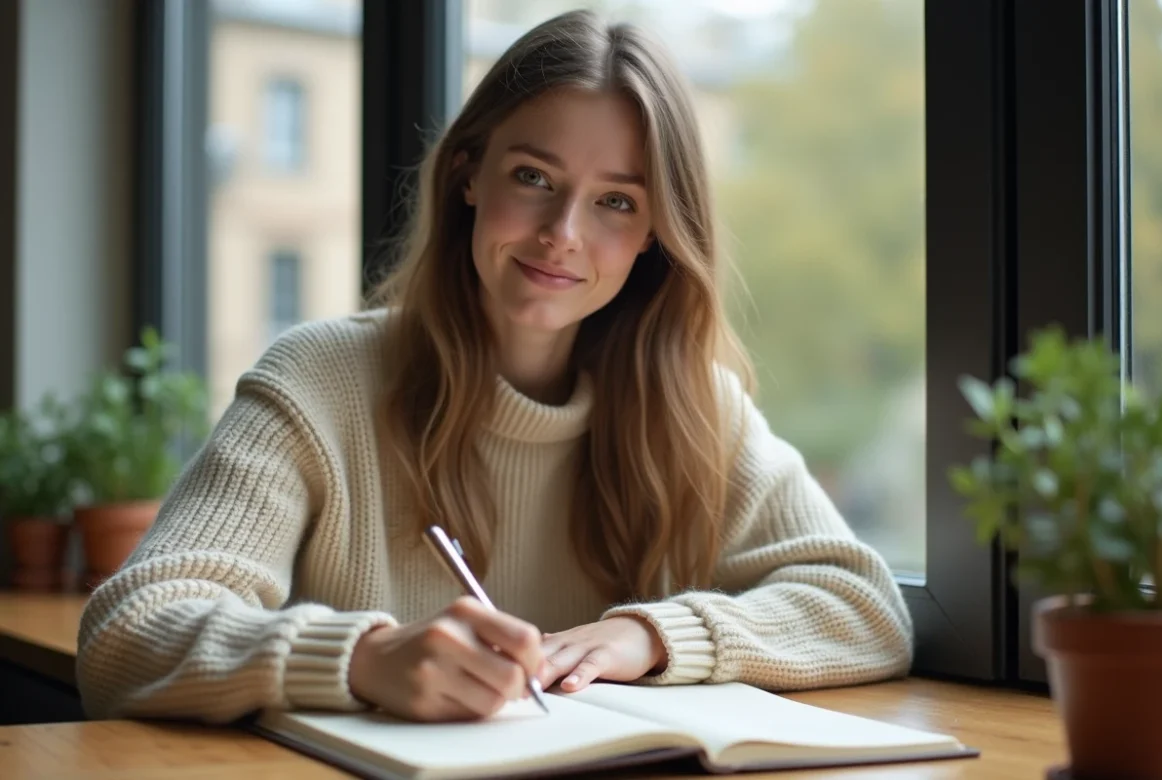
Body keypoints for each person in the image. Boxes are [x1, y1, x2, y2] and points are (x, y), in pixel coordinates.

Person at [75, 8, 913, 725]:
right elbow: (126, 633)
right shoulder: (319, 382)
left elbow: (865, 609)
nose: (562, 234)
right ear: (470, 174)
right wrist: (362, 659)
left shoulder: (699, 406)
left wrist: (652, 637)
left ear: (658, 231)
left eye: (616, 201)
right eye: (533, 177)